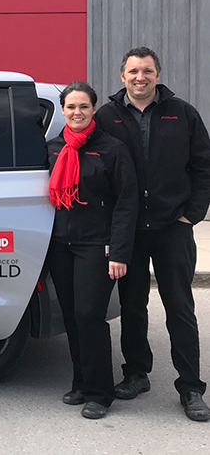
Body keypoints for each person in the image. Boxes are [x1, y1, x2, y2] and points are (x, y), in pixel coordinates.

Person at [95, 47, 210, 422]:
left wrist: (190, 216)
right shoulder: (107, 116)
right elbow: (96, 167)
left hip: (171, 228)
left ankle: (191, 387)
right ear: (122, 74)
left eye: (146, 70)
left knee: (179, 307)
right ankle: (136, 373)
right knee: (132, 306)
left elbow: (202, 167)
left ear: (157, 73)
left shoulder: (183, 113)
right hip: (129, 229)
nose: (139, 77)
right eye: (133, 71)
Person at [46, 81, 138, 419]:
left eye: (83, 106)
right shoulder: (55, 148)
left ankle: (101, 392)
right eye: (71, 107)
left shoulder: (112, 149)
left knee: (89, 315)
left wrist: (119, 253)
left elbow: (127, 204)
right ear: (63, 110)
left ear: (94, 109)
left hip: (97, 245)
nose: (77, 112)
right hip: (61, 244)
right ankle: (81, 381)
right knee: (71, 317)